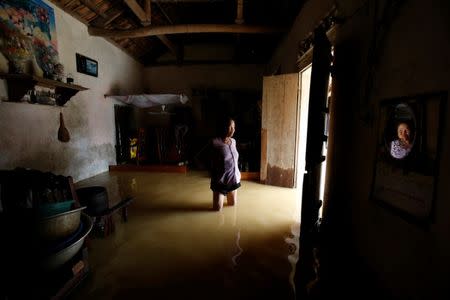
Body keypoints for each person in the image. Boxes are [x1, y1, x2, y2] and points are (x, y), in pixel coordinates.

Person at [209, 117, 241, 211]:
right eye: (230, 127)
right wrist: (213, 172)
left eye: (234, 127)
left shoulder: (233, 142)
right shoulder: (214, 142)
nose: (233, 130)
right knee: (217, 209)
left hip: (233, 179)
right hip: (220, 181)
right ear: (223, 127)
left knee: (232, 205)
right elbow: (205, 159)